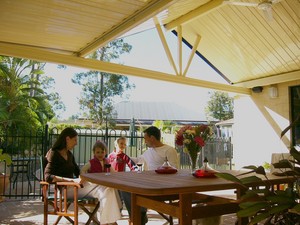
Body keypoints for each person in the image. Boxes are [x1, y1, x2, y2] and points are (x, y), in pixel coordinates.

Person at [44, 127, 121, 225]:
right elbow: (48, 176)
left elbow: (78, 172)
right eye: (75, 140)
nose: (76, 143)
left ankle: (108, 222)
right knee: (105, 188)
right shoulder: (54, 153)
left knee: (107, 188)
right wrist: (72, 181)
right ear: (67, 139)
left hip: (77, 188)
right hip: (66, 190)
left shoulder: (69, 154)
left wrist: (85, 177)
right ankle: (110, 222)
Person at [122, 126, 179, 225]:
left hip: (162, 186)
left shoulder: (169, 150)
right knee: (124, 188)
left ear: (152, 138)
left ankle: (139, 218)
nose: (144, 141)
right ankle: (137, 217)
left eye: (145, 138)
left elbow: (175, 169)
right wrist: (123, 157)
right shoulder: (149, 151)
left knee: (134, 191)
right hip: (148, 183)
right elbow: (138, 159)